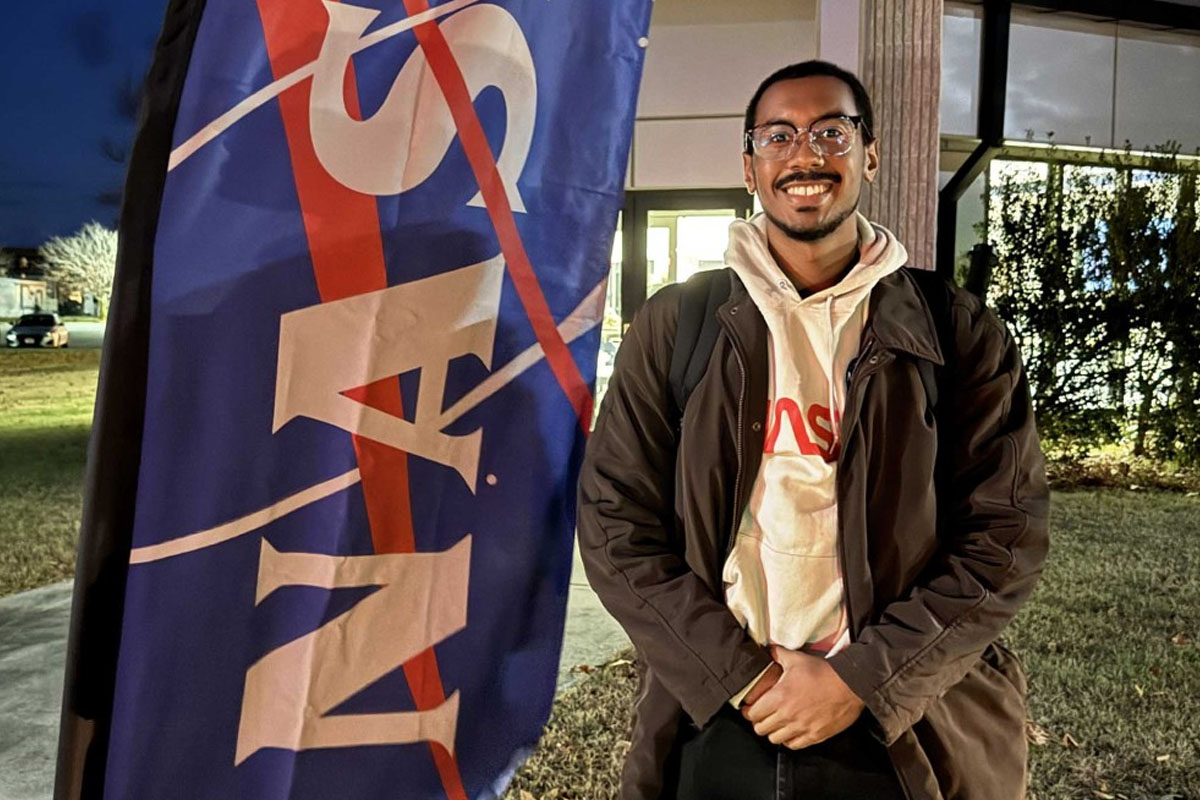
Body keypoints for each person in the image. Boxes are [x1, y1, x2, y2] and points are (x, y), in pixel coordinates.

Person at [577, 60, 1049, 800]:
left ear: (869, 153)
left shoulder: (955, 331)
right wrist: (743, 675)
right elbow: (613, 522)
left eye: (831, 130)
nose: (805, 154)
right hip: (723, 712)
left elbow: (1006, 536)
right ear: (750, 163)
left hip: (897, 720)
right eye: (779, 135)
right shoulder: (680, 325)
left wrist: (862, 679)